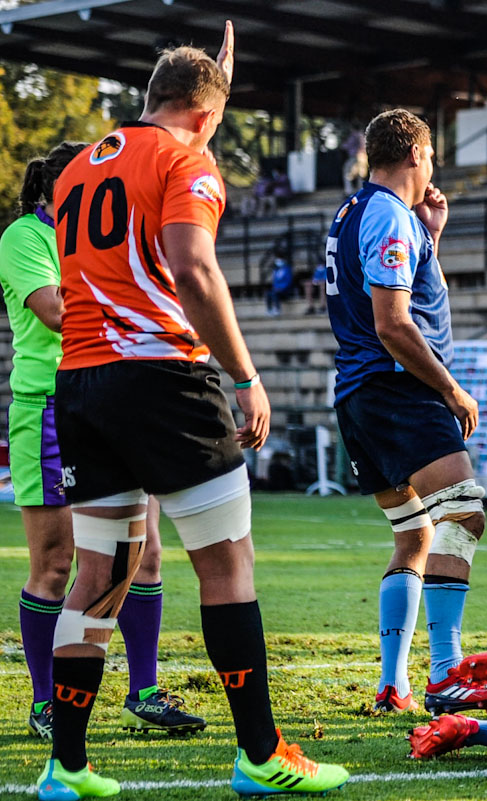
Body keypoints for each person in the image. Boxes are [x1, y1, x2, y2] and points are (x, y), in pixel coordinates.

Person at [42, 26, 347, 797]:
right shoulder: (189, 158)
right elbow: (191, 264)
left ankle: (66, 767)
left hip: (81, 383)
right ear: (207, 116)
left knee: (98, 577)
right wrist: (244, 374)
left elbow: (181, 116)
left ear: (151, 98)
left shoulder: (79, 166)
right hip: (163, 381)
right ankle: (260, 754)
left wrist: (216, 82)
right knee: (227, 565)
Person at [3, 141, 205, 744]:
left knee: (142, 555)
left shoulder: (95, 240)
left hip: (112, 400)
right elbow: (56, 312)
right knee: (57, 564)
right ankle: (45, 703)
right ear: (63, 190)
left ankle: (143, 691)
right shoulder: (25, 238)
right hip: (48, 408)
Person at [326, 109, 487, 717]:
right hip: (395, 390)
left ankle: (393, 685)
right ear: (414, 154)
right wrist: (452, 389)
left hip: (361, 394)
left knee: (415, 534)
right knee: (465, 514)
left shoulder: (361, 211)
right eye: (431, 155)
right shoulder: (385, 212)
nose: (433, 166)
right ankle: (445, 675)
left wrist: (430, 233)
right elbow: (392, 323)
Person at [265, 246, 293, 316]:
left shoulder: (287, 269)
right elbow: (275, 281)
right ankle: (270, 310)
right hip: (277, 289)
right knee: (268, 293)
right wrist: (275, 287)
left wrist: (281, 288)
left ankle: (277, 309)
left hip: (285, 290)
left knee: (275, 294)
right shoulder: (276, 270)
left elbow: (288, 281)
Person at [341, 127, 367, 195]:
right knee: (360, 175)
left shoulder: (354, 135)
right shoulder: (363, 135)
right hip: (362, 157)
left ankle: (348, 191)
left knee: (347, 173)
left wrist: (343, 143)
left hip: (355, 156)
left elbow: (346, 146)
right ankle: (360, 190)